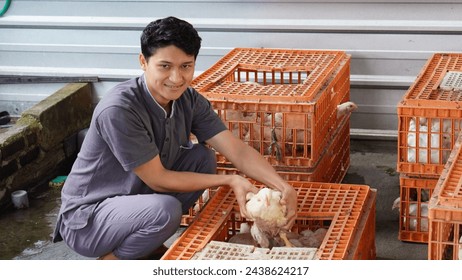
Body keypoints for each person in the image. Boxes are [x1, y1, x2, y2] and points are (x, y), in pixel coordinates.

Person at [52, 16, 297, 260]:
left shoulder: (187, 100)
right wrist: (230, 180)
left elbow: (238, 151)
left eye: (186, 66)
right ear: (143, 62)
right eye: (165, 66)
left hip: (133, 201)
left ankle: (146, 241)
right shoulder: (119, 109)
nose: (177, 78)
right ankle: (113, 260)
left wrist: (283, 186)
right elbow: (158, 180)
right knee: (166, 211)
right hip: (90, 219)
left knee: (202, 158)